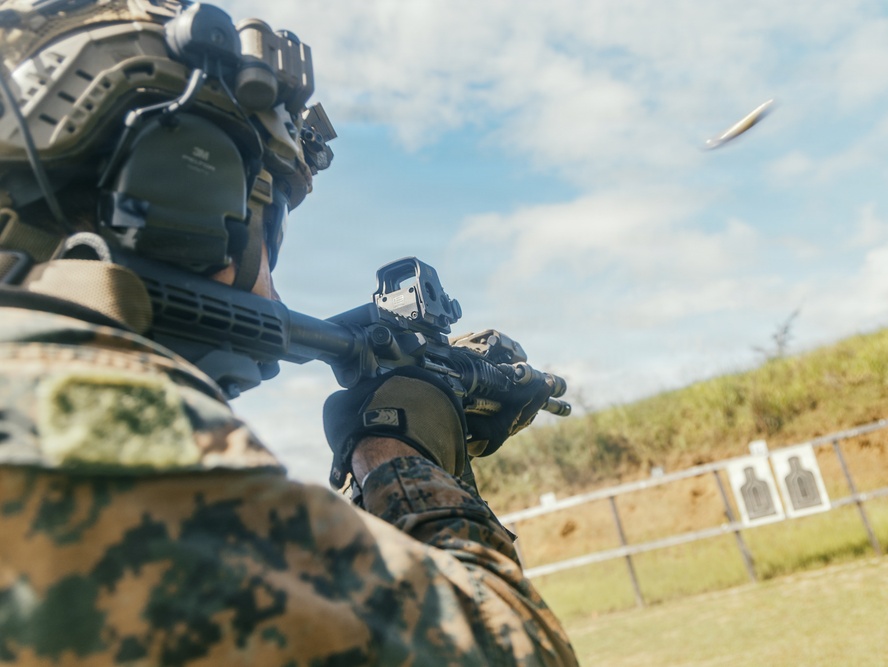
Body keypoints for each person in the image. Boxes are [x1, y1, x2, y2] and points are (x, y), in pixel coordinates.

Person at [0, 1, 579, 664]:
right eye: (267, 225)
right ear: (183, 196)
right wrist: (399, 448)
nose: (272, 290)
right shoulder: (84, 438)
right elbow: (510, 648)